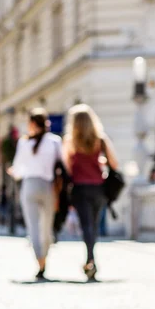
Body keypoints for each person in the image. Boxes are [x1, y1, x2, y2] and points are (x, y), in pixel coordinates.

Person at [62, 104, 119, 281]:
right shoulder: (100, 140)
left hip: (80, 188)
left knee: (86, 225)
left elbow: (67, 167)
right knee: (93, 225)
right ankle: (91, 259)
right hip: (98, 188)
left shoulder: (71, 141)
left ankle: (90, 259)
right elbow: (114, 164)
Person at [10, 109, 63, 280]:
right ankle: (45, 259)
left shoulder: (24, 143)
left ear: (32, 124)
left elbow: (17, 169)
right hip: (48, 186)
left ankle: (40, 262)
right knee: (46, 227)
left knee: (33, 227)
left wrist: (14, 172)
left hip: (30, 185)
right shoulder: (55, 141)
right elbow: (62, 164)